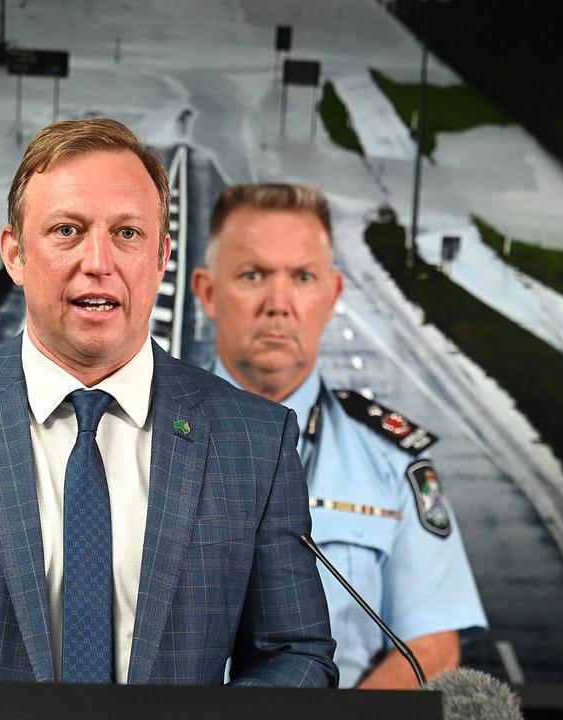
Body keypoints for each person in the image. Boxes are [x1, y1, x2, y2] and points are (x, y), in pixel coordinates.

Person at [0, 119, 336, 718]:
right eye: (67, 230)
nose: (98, 262)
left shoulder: (255, 441)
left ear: (162, 256)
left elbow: (296, 656)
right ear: (16, 254)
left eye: (128, 233)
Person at [190, 183, 487, 689]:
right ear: (209, 293)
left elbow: (432, 648)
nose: (278, 304)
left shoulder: (392, 461)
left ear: (331, 296)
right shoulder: (134, 432)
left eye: (302, 277)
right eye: (253, 274)